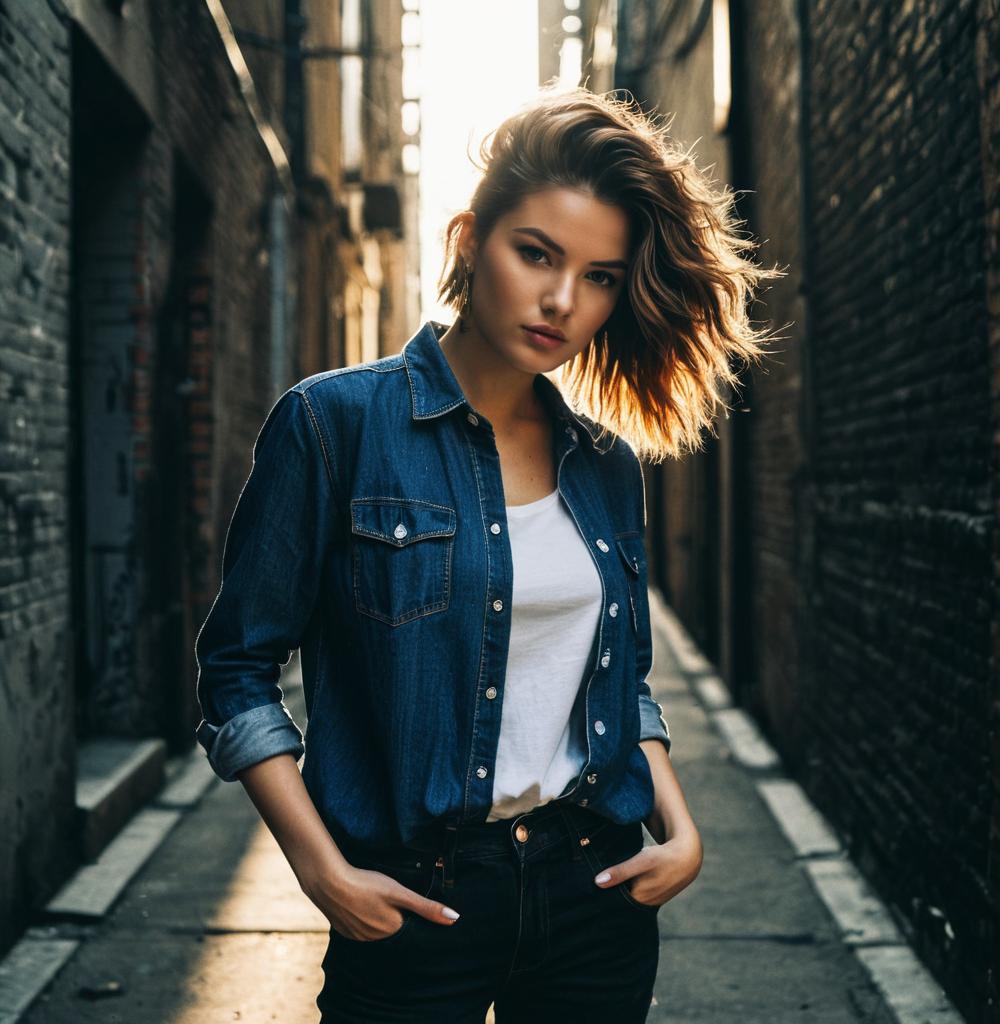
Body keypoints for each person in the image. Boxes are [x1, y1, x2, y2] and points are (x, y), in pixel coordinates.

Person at [194, 86, 780, 1023]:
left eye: (599, 276)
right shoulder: (334, 425)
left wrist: (680, 831)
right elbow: (236, 670)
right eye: (536, 253)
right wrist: (323, 872)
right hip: (414, 900)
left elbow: (619, 682)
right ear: (471, 241)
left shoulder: (604, 465)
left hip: (594, 892)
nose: (562, 300)